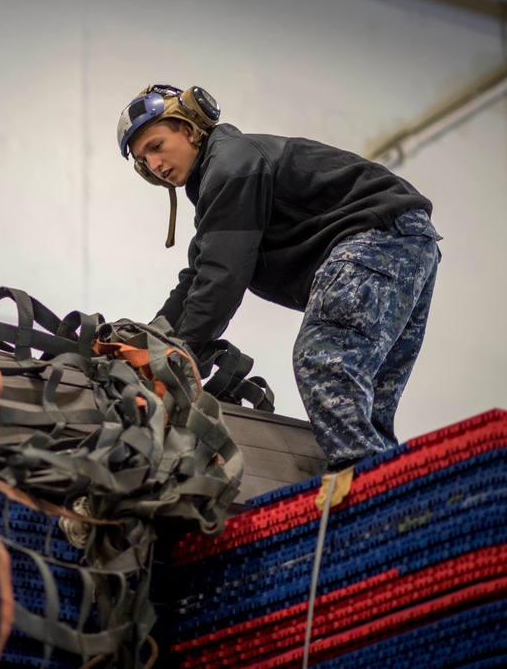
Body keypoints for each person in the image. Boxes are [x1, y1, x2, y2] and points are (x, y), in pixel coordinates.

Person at [116, 84, 442, 470]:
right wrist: (154, 338)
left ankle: (369, 493)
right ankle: (391, 497)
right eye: (143, 161)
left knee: (323, 360)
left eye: (156, 145)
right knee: (366, 407)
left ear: (189, 129)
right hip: (407, 243)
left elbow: (222, 278)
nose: (154, 165)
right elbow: (198, 273)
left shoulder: (232, 165)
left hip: (376, 238)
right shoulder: (225, 176)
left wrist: (177, 354)